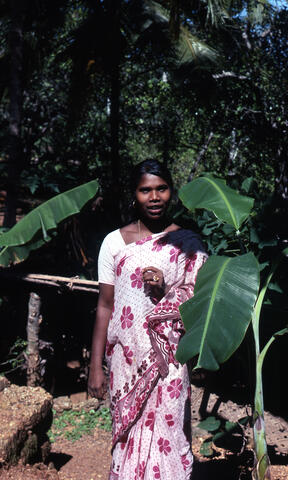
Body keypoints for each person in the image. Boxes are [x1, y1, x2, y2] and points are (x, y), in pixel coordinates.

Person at [88, 159, 208, 479]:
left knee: (170, 437)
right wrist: (95, 366)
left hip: (170, 363)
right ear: (134, 194)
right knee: (128, 441)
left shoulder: (188, 245)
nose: (154, 197)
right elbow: (105, 305)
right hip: (125, 364)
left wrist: (166, 287)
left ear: (171, 192)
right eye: (145, 190)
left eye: (161, 189)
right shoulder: (114, 243)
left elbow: (199, 299)